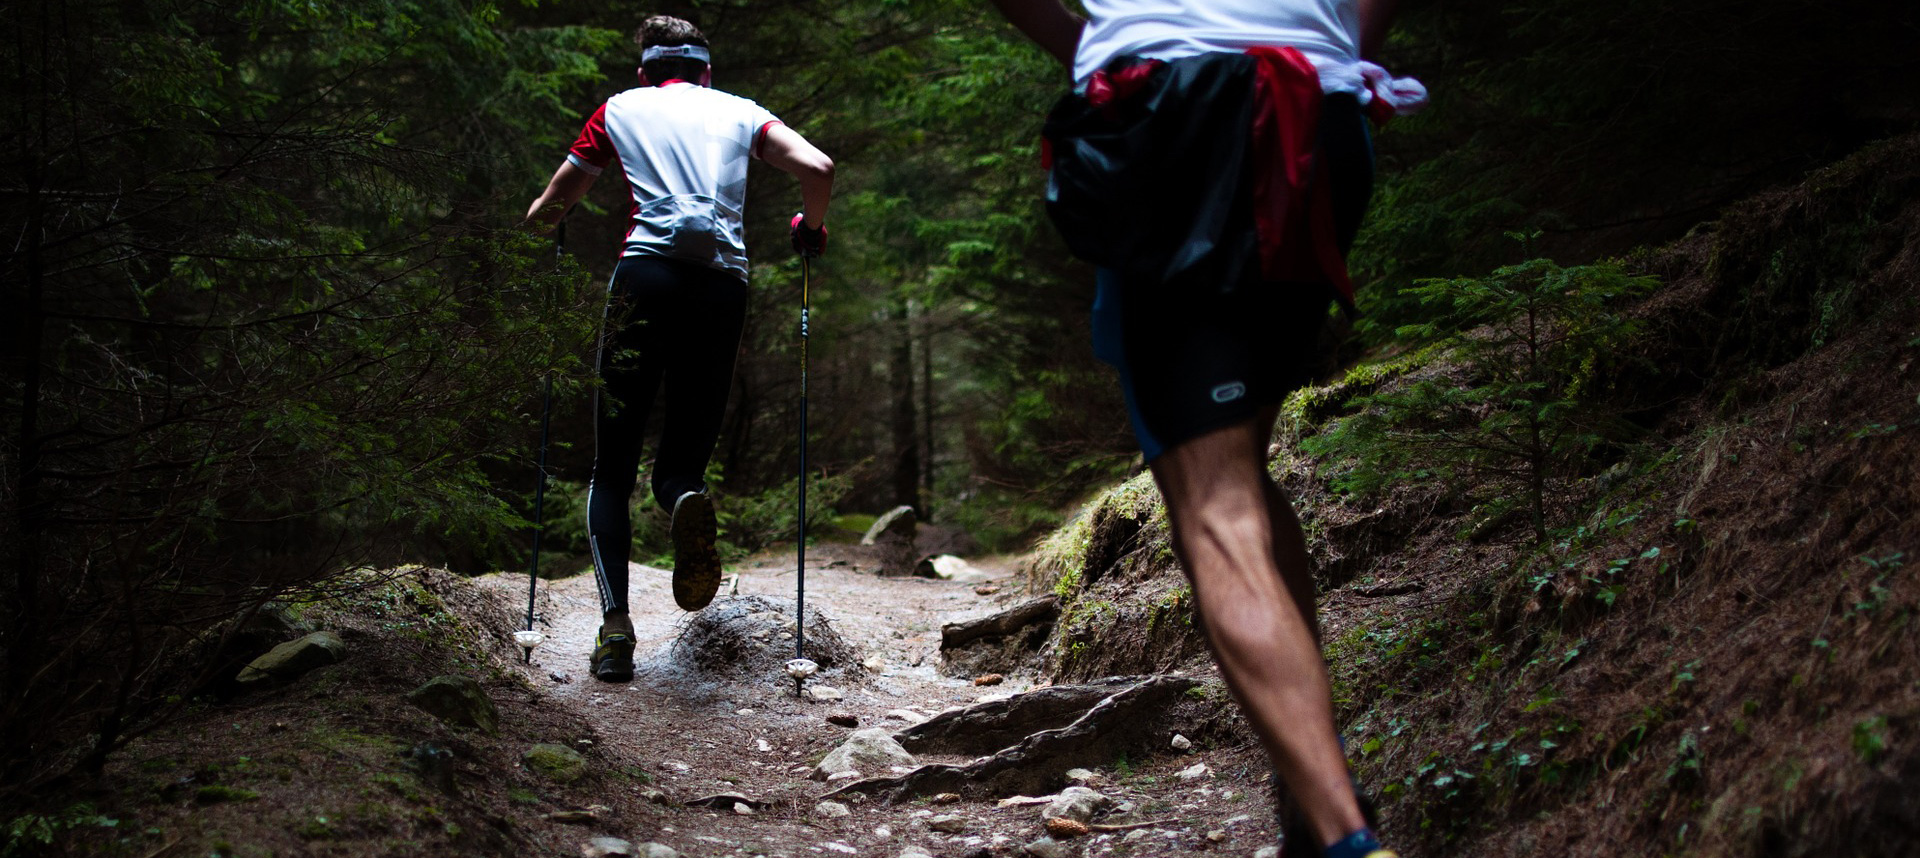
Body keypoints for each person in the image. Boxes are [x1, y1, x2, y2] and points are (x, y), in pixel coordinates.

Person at [986, 2, 1424, 857]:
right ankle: (1308, 803)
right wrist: (1344, 56)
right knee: (1243, 473)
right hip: (1321, 118)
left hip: (1164, 115)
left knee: (1215, 503)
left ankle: (1347, 836)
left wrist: (1094, 48)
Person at [525, 15, 834, 683]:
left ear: (644, 71)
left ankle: (614, 633)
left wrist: (545, 219)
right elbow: (818, 166)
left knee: (611, 467)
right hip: (722, 287)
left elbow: (557, 199)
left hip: (644, 278)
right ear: (707, 72)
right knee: (681, 466)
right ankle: (683, 501)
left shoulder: (618, 110)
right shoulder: (741, 112)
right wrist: (810, 227)